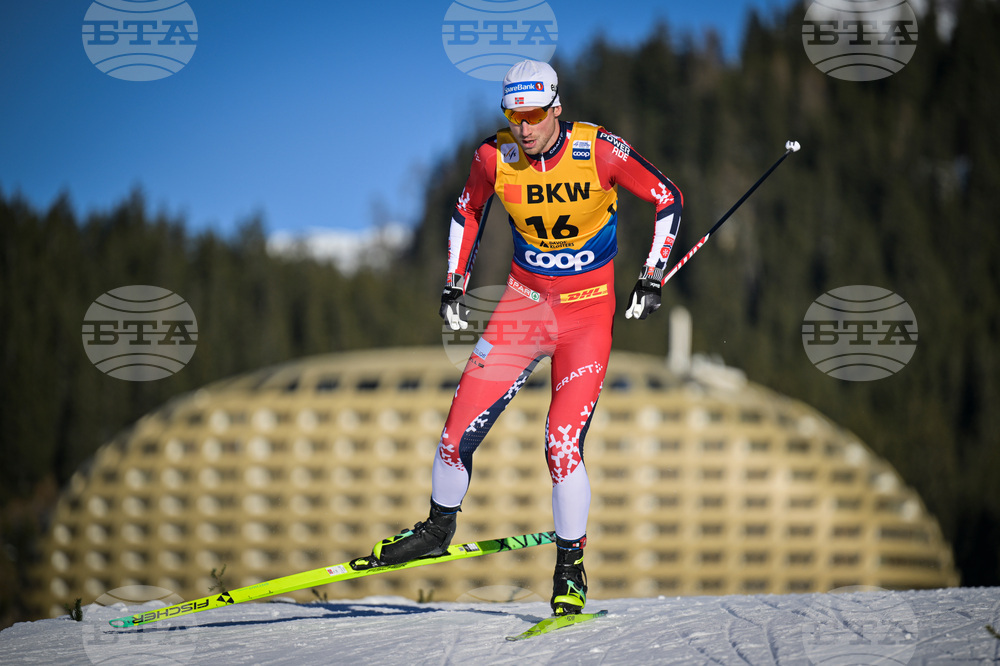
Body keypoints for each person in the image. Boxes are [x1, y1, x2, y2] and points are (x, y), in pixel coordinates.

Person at [372, 59, 683, 616]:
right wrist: (454, 281)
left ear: (556, 108)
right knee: (454, 431)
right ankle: (439, 525)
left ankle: (570, 569)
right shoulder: (494, 156)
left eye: (536, 114)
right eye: (515, 115)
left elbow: (667, 197)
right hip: (525, 307)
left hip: (587, 315)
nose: (525, 126)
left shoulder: (597, 150)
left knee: (561, 441)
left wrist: (651, 274)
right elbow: (468, 209)